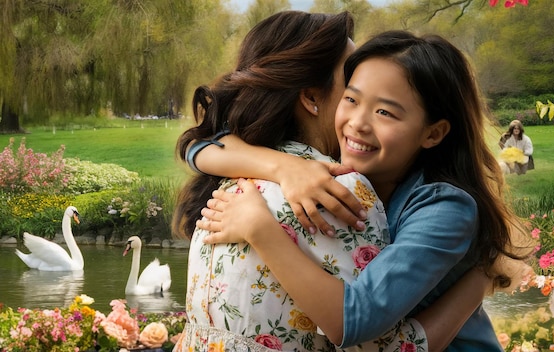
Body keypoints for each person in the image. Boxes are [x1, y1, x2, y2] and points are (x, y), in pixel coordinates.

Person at [172, 11, 511, 352]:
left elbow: (355, 319)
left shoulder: (441, 205)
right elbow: (198, 146)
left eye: (385, 112)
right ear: (311, 98)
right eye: (351, 96)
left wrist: (480, 280)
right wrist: (283, 167)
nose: (358, 123)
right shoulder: (320, 178)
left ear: (433, 133)